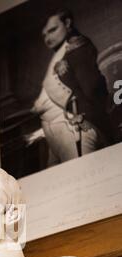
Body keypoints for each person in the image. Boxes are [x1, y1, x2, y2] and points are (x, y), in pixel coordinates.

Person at [26, 8, 111, 165]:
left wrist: (88, 119)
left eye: (52, 30)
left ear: (67, 23)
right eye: (44, 35)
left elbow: (93, 88)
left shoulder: (77, 48)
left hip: (75, 127)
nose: (48, 38)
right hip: (55, 133)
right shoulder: (60, 53)